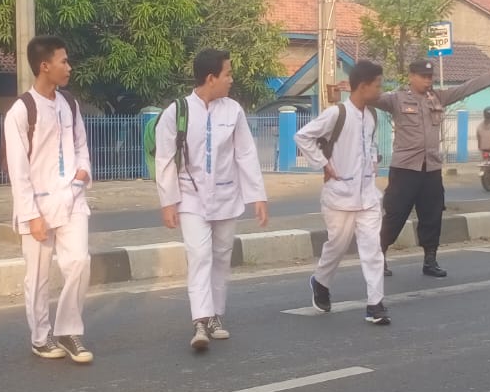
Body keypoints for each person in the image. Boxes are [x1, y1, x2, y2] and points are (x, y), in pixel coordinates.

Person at [155, 48, 269, 351]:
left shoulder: (233, 111)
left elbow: (246, 153)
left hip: (227, 195)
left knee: (221, 256)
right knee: (199, 255)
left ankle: (216, 315)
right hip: (190, 197)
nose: (231, 79)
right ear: (210, 78)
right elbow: (165, 159)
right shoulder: (177, 111)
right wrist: (168, 201)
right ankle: (200, 321)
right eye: (227, 74)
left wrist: (257, 196)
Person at [375, 54, 490, 278]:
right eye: (423, 76)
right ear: (411, 77)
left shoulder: (438, 98)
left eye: (430, 76)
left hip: (430, 169)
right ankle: (378, 256)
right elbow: (371, 98)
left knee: (432, 215)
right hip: (405, 170)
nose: (428, 80)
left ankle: (430, 260)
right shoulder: (396, 99)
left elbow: (465, 89)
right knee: (395, 214)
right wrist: (356, 86)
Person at [4, 35, 95, 364]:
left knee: (79, 262)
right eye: (63, 61)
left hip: (72, 198)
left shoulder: (69, 103)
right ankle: (41, 337)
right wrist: (31, 215)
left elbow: (81, 145)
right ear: (45, 66)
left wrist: (82, 172)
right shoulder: (21, 111)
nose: (69, 67)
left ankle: (68, 330)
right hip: (38, 205)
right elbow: (18, 170)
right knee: (38, 277)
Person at [296, 59, 390, 325]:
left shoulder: (372, 116)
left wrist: (373, 161)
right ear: (363, 86)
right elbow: (302, 136)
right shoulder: (337, 114)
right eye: (377, 85)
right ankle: (321, 281)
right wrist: (323, 163)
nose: (380, 91)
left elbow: (370, 143)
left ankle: (375, 305)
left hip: (367, 196)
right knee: (337, 246)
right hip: (340, 195)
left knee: (373, 250)